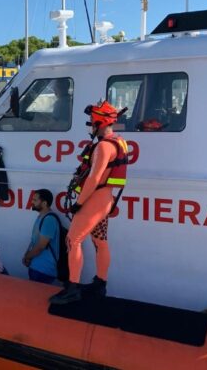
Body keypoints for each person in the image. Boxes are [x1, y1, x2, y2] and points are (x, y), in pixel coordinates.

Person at [50, 100, 129, 305]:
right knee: (99, 240)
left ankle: (73, 288)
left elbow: (94, 178)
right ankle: (100, 284)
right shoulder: (118, 142)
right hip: (106, 200)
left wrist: (79, 203)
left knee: (73, 240)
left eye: (91, 122)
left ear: (98, 123)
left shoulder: (103, 146)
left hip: (95, 199)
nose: (90, 125)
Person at [22, 189, 60, 285]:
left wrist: (27, 256)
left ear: (44, 203)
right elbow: (34, 241)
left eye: (35, 200)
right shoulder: (41, 217)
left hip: (44, 270)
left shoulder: (49, 220)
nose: (32, 202)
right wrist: (27, 256)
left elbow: (40, 246)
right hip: (36, 267)